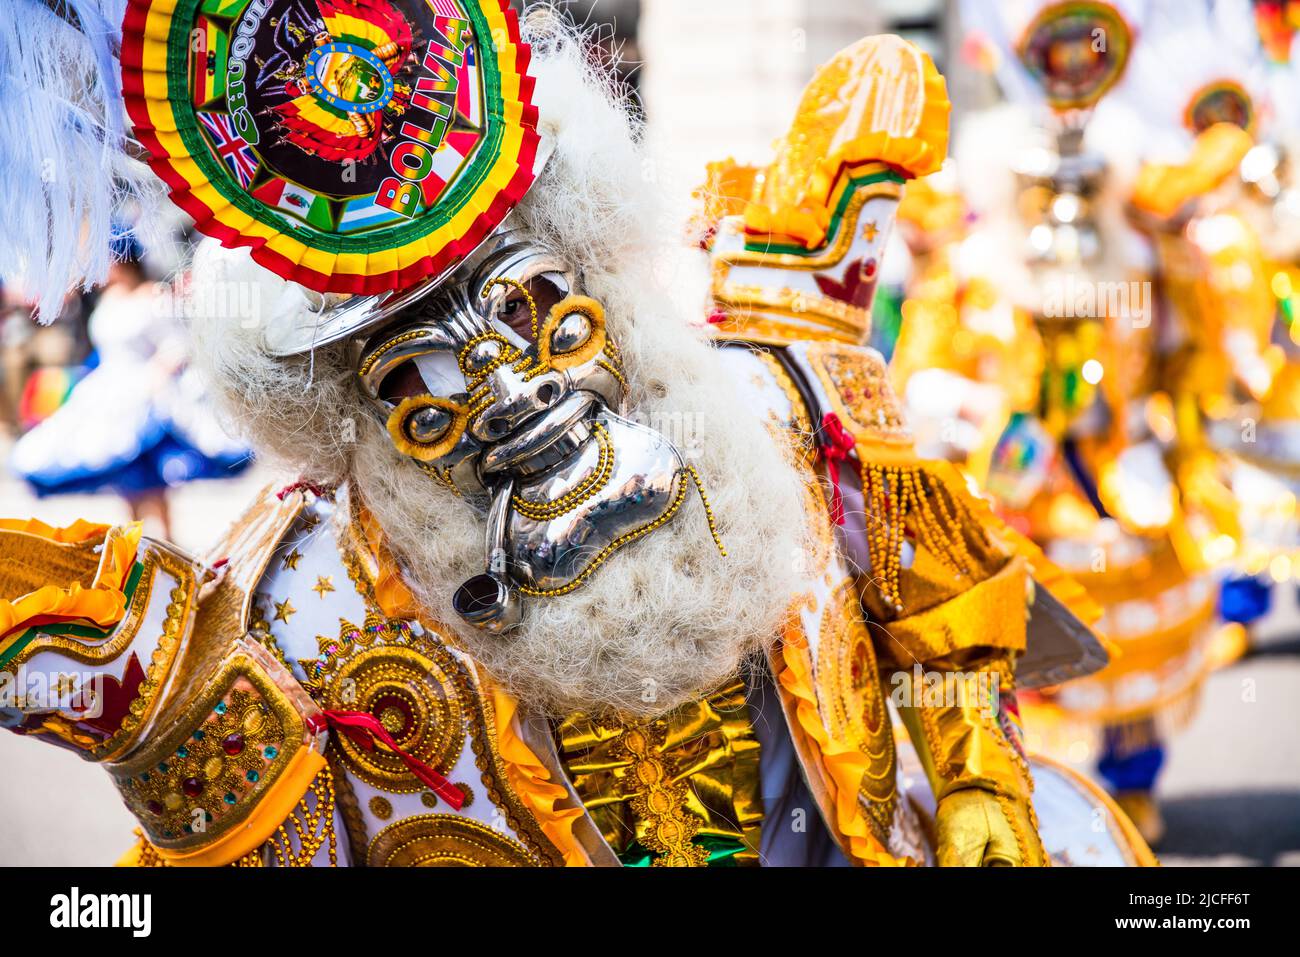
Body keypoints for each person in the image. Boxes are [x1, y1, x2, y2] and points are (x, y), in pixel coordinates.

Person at [0, 1, 1151, 866]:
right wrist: (183, 755)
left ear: (589, 263)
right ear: (351, 401)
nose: (509, 388)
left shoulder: (783, 406)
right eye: (424, 375)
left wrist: (977, 783)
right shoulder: (291, 603)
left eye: (533, 313)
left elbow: (947, 629)